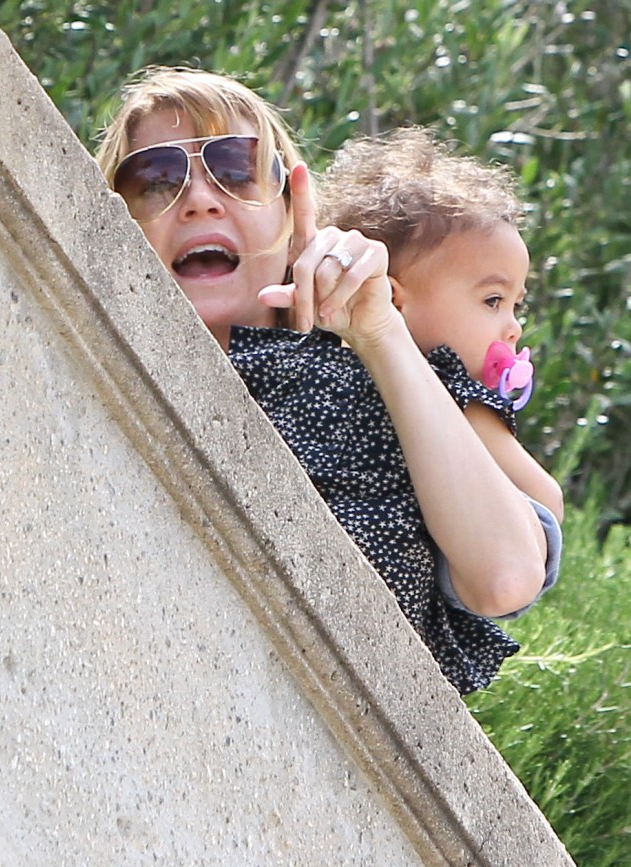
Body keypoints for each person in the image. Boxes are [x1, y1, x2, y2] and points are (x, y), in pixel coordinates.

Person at [96, 66, 559, 694]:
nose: (200, 199)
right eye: (155, 178)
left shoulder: (387, 384)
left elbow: (505, 577)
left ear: (293, 211)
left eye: (236, 168)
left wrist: (381, 332)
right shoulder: (80, 390)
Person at [315, 126, 564, 523]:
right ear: (392, 301)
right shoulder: (456, 395)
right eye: (493, 301)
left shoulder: (319, 376)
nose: (513, 328)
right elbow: (547, 500)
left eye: (516, 305)